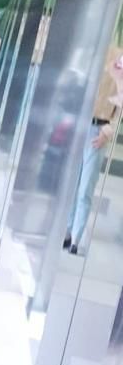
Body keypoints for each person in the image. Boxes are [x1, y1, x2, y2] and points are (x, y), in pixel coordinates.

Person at [64, 48, 123, 254]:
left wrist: (108, 131)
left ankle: (76, 238)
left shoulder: (118, 57)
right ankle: (67, 231)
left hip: (99, 129)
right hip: (81, 123)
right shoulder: (98, 50)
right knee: (72, 183)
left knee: (85, 188)